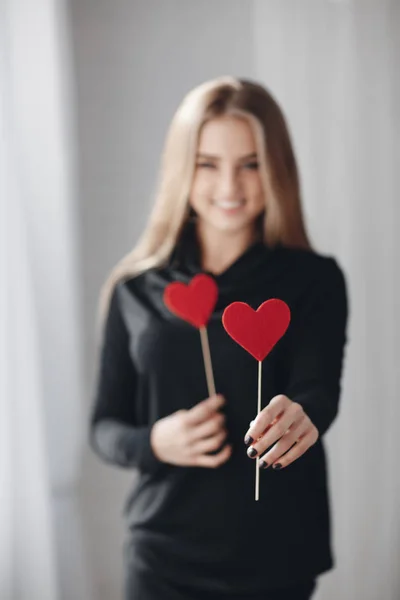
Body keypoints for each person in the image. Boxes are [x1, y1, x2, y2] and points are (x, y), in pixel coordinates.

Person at [89, 76, 349, 600]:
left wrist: (302, 416)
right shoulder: (135, 288)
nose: (230, 187)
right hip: (162, 552)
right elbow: (104, 427)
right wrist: (154, 442)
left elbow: (319, 391)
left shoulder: (314, 280)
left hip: (279, 552)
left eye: (250, 163)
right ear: (181, 169)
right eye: (208, 164)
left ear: (276, 168)